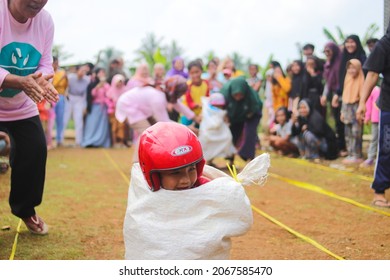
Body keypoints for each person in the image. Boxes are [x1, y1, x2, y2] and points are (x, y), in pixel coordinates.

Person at [123, 122, 255, 259]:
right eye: (175, 173)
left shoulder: (206, 188)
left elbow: (239, 220)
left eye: (191, 169)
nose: (185, 180)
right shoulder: (143, 201)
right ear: (154, 176)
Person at [0, 0, 58, 234]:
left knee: (34, 152)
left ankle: (26, 210)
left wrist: (43, 79)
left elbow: (45, 62)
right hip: (17, 90)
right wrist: (18, 81)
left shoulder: (45, 20)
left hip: (22, 105)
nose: (37, 1)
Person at [115, 75, 196, 162]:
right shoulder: (158, 98)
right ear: (175, 92)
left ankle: (151, 158)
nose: (180, 96)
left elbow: (178, 105)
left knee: (153, 131)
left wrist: (195, 117)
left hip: (138, 108)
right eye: (180, 93)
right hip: (128, 106)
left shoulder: (164, 92)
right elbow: (164, 122)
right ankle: (137, 163)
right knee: (145, 132)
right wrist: (186, 128)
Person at [356, 22, 390, 208]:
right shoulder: (384, 44)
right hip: (388, 105)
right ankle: (379, 191)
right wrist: (362, 103)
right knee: (386, 149)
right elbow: (372, 75)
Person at [221, 77, 262, 163]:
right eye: (236, 95)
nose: (238, 97)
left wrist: (248, 114)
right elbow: (220, 108)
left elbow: (255, 107)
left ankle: (249, 158)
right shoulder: (225, 93)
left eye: (240, 95)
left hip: (252, 113)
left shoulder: (251, 95)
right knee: (232, 135)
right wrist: (226, 116)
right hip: (234, 116)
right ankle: (230, 158)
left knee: (250, 133)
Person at [321, 42, 346, 156]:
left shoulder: (340, 62)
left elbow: (341, 81)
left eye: (328, 51)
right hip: (333, 97)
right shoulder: (328, 65)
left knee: (344, 121)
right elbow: (328, 83)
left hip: (343, 95)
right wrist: (325, 95)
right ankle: (341, 147)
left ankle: (347, 148)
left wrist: (337, 93)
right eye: (325, 52)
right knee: (337, 122)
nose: (327, 54)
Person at [198, 93, 236, 167]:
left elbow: (225, 121)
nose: (218, 107)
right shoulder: (206, 110)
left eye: (220, 106)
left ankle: (231, 160)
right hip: (209, 132)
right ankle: (209, 162)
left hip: (220, 132)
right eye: (217, 105)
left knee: (228, 139)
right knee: (208, 148)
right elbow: (203, 119)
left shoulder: (222, 112)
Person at [340, 59, 364, 164]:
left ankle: (357, 155)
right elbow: (345, 95)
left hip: (356, 107)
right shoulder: (347, 78)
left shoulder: (362, 80)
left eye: (353, 67)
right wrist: (342, 111)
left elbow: (363, 97)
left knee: (356, 132)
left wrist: (361, 111)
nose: (351, 70)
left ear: (358, 68)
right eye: (349, 68)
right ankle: (350, 154)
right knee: (347, 132)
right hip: (346, 108)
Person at [81, 68, 111, 148]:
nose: (101, 74)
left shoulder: (106, 85)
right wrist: (98, 86)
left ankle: (100, 142)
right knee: (91, 124)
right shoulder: (93, 84)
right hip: (94, 107)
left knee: (102, 125)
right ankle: (89, 141)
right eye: (100, 73)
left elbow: (109, 95)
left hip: (103, 108)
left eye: (103, 73)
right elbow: (92, 94)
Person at [63, 64, 90, 147]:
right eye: (81, 70)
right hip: (69, 98)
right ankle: (60, 140)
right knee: (65, 118)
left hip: (79, 100)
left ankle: (78, 141)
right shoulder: (70, 77)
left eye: (84, 71)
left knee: (78, 120)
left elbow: (85, 94)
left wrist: (85, 106)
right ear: (77, 71)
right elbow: (66, 88)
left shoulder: (87, 80)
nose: (83, 73)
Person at [181, 60, 210, 130]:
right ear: (189, 74)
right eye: (192, 73)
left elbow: (207, 98)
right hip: (188, 114)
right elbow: (189, 103)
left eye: (197, 72)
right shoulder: (188, 85)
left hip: (201, 114)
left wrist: (202, 112)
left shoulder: (206, 83)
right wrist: (199, 105)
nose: (195, 75)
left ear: (201, 71)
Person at [361, 86, 380, 167]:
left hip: (385, 118)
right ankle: (371, 157)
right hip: (376, 119)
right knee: (374, 139)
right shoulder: (373, 89)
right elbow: (368, 104)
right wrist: (367, 117)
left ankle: (380, 158)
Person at [106, 74, 127, 148]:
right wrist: (112, 105)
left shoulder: (125, 90)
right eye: (118, 82)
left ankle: (121, 142)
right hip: (113, 111)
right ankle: (114, 143)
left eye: (121, 82)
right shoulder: (111, 91)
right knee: (114, 126)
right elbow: (108, 100)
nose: (119, 83)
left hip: (122, 111)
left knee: (122, 126)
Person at [52, 56, 68, 147]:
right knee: (50, 119)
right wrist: (61, 79)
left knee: (60, 119)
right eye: (55, 63)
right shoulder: (49, 72)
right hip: (51, 96)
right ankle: (49, 140)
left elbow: (66, 85)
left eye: (57, 63)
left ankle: (59, 139)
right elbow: (52, 85)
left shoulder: (62, 72)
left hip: (61, 96)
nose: (56, 65)